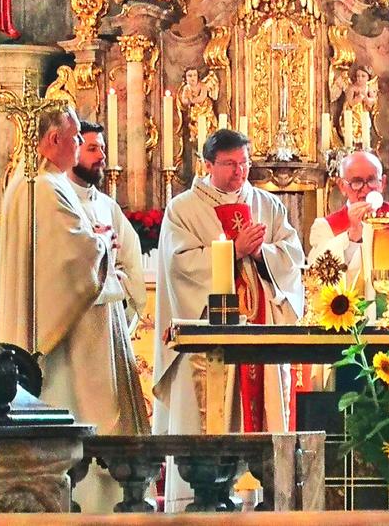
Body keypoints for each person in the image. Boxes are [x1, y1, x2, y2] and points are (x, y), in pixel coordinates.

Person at [0, 105, 149, 512]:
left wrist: (93, 240)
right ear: (53, 142)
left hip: (57, 325)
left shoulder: (25, 185)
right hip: (75, 338)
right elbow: (74, 258)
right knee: (89, 413)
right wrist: (101, 244)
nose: (82, 145)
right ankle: (95, 507)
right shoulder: (46, 188)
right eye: (76, 137)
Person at [151, 129, 305, 511]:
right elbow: (178, 264)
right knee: (207, 416)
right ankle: (200, 504)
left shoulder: (267, 204)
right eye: (231, 164)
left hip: (260, 328)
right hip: (207, 333)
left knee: (261, 409)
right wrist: (233, 250)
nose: (240, 172)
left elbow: (292, 254)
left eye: (245, 163)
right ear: (208, 165)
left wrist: (263, 252)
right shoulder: (184, 208)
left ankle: (264, 505)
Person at [308, 150, 389, 320]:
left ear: (382, 183)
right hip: (348, 324)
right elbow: (318, 275)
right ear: (342, 186)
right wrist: (352, 236)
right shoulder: (325, 227)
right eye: (356, 182)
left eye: (372, 180)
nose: (365, 189)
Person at [68, 120, 147, 330]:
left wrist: (119, 279)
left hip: (107, 319)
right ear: (73, 150)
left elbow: (130, 257)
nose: (101, 157)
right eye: (92, 149)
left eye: (102, 149)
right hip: (74, 320)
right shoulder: (60, 201)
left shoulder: (108, 206)